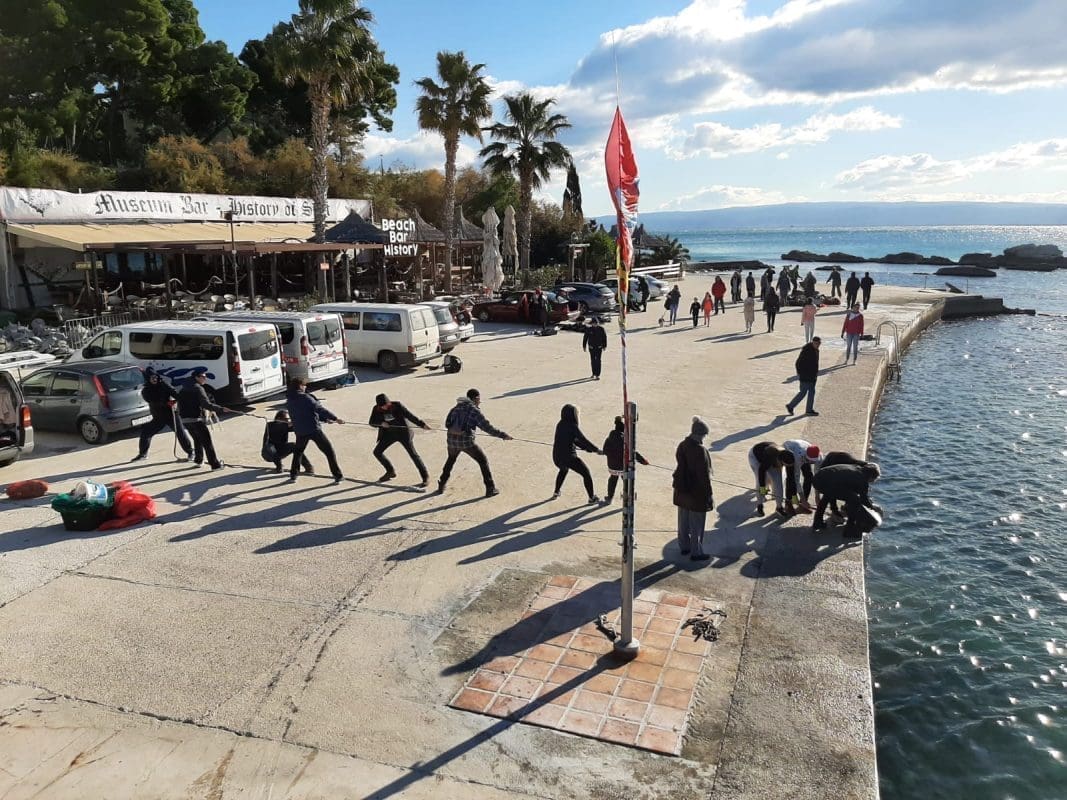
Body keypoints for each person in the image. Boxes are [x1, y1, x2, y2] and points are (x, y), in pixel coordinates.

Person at [438, 388, 512, 497]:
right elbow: (487, 427)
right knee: (483, 461)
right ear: (476, 398)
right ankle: (490, 488)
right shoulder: (474, 411)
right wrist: (503, 435)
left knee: (451, 459)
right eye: (479, 399)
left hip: (452, 441)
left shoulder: (455, 408)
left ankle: (441, 484)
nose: (479, 402)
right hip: (466, 442)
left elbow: (447, 424)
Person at [286, 378, 345, 482]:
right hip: (313, 429)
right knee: (329, 451)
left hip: (300, 431)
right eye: (304, 385)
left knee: (298, 453)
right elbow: (319, 409)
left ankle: (293, 475)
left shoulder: (289, 400)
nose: (305, 387)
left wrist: (325, 419)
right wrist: (335, 418)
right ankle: (338, 476)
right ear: (300, 386)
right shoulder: (306, 397)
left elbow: (305, 413)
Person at [673, 416, 715, 561]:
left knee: (683, 521)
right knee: (697, 524)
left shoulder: (682, 445)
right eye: (704, 435)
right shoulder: (700, 451)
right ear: (699, 434)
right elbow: (704, 476)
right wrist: (709, 494)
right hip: (697, 493)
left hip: (681, 489)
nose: (704, 438)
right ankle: (696, 552)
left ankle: (684, 547)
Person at [369, 393, 430, 488]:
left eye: (386, 405)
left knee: (413, 454)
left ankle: (425, 477)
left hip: (403, 433)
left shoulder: (397, 405)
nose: (384, 407)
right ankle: (390, 471)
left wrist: (422, 424)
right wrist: (381, 423)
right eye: (382, 406)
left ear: (389, 402)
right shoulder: (376, 409)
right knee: (377, 452)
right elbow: (371, 422)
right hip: (389, 434)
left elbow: (410, 416)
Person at [132, 368, 192, 462]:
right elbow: (153, 401)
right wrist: (166, 403)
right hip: (158, 417)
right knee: (146, 433)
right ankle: (142, 454)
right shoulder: (146, 390)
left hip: (171, 415)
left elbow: (176, 395)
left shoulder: (164, 385)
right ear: (148, 379)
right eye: (152, 378)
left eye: (155, 377)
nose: (154, 379)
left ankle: (191, 452)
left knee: (181, 433)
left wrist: (175, 401)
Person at [177, 369, 231, 470]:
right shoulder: (198, 388)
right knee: (207, 442)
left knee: (197, 439)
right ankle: (215, 465)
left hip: (185, 420)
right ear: (196, 377)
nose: (205, 379)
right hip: (196, 419)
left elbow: (179, 403)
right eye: (203, 377)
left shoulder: (183, 388)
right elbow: (206, 404)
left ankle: (198, 460)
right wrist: (221, 409)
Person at [811, 463, 882, 540]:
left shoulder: (855, 468)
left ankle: (817, 522)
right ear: (871, 476)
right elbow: (864, 500)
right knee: (855, 500)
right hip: (825, 482)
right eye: (874, 479)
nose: (873, 481)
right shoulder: (862, 480)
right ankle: (849, 530)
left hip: (818, 478)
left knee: (828, 495)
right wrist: (873, 511)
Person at [551, 404, 601, 503]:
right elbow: (583, 439)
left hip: (557, 456)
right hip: (569, 457)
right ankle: (592, 498)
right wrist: (596, 450)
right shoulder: (572, 426)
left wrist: (586, 448)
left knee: (564, 469)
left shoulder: (560, 424)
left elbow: (575, 440)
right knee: (586, 473)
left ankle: (556, 492)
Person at [601, 415, 648, 503]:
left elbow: (605, 451)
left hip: (612, 466)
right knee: (626, 482)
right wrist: (643, 461)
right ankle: (628, 498)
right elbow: (633, 452)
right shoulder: (625, 441)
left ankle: (609, 497)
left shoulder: (609, 439)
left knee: (612, 480)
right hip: (623, 466)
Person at [748, 441, 794, 517]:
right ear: (781, 461)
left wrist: (793, 497)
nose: (787, 467)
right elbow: (761, 471)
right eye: (785, 465)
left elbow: (791, 479)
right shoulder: (769, 457)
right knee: (762, 481)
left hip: (773, 459)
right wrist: (762, 487)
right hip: (756, 456)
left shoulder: (790, 459)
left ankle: (779, 507)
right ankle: (760, 505)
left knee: (778, 483)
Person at [263, 410, 313, 474]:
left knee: (294, 446)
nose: (288, 421)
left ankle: (308, 467)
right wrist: (289, 424)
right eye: (286, 419)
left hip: (281, 450)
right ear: (279, 418)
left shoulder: (286, 426)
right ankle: (279, 466)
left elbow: (297, 427)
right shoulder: (270, 425)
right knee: (270, 447)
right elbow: (278, 427)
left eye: (288, 419)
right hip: (268, 453)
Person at [782, 439, 822, 513]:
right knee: (791, 478)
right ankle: (788, 503)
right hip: (790, 450)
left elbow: (817, 475)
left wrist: (817, 496)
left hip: (802, 450)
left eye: (813, 462)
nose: (811, 463)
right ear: (806, 457)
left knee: (809, 476)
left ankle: (802, 504)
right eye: (809, 461)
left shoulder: (819, 457)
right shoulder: (797, 457)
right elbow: (796, 478)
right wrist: (802, 498)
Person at [786, 336, 821, 416]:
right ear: (813, 342)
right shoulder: (806, 350)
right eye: (816, 343)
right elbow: (798, 363)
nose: (817, 345)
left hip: (812, 375)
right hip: (806, 375)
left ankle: (797, 407)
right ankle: (793, 406)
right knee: (804, 392)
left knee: (809, 392)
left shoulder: (816, 350)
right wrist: (800, 373)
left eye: (819, 343)